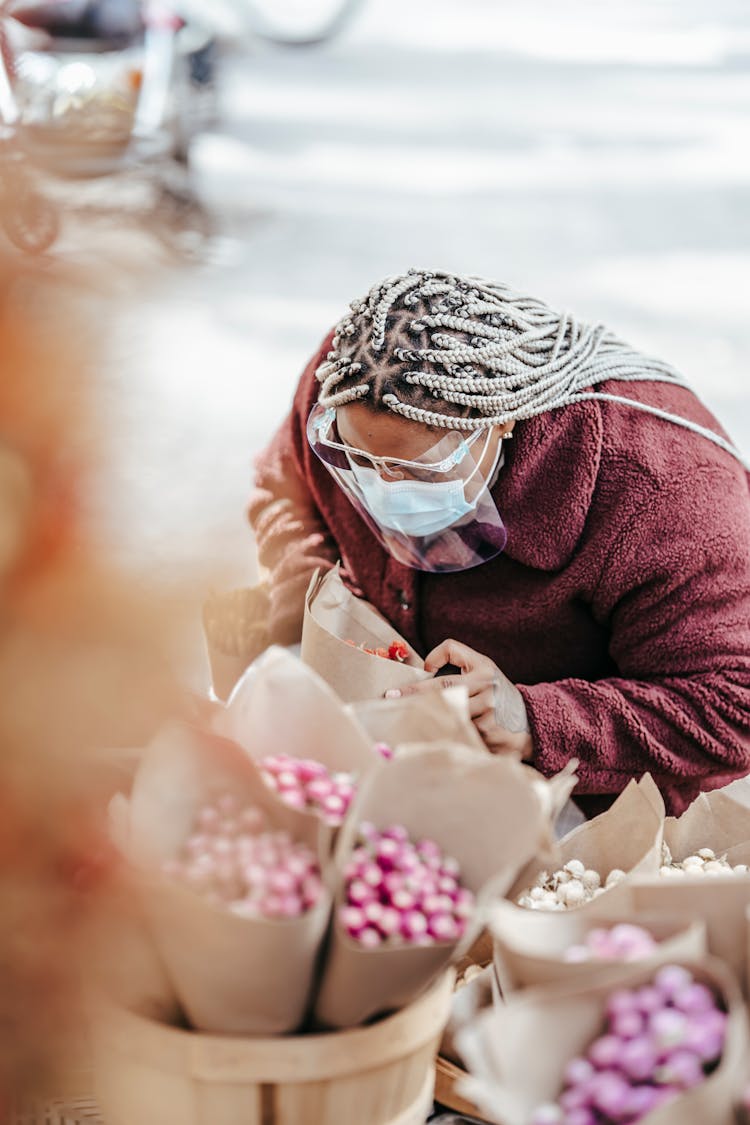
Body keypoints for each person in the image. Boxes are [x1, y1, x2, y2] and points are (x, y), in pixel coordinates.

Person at [248, 268, 750, 817]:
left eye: (420, 472)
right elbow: (283, 489)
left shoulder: (666, 491)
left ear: (502, 423)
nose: (381, 493)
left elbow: (731, 703)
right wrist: (318, 609)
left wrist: (536, 722)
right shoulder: (354, 374)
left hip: (581, 815)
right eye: (358, 463)